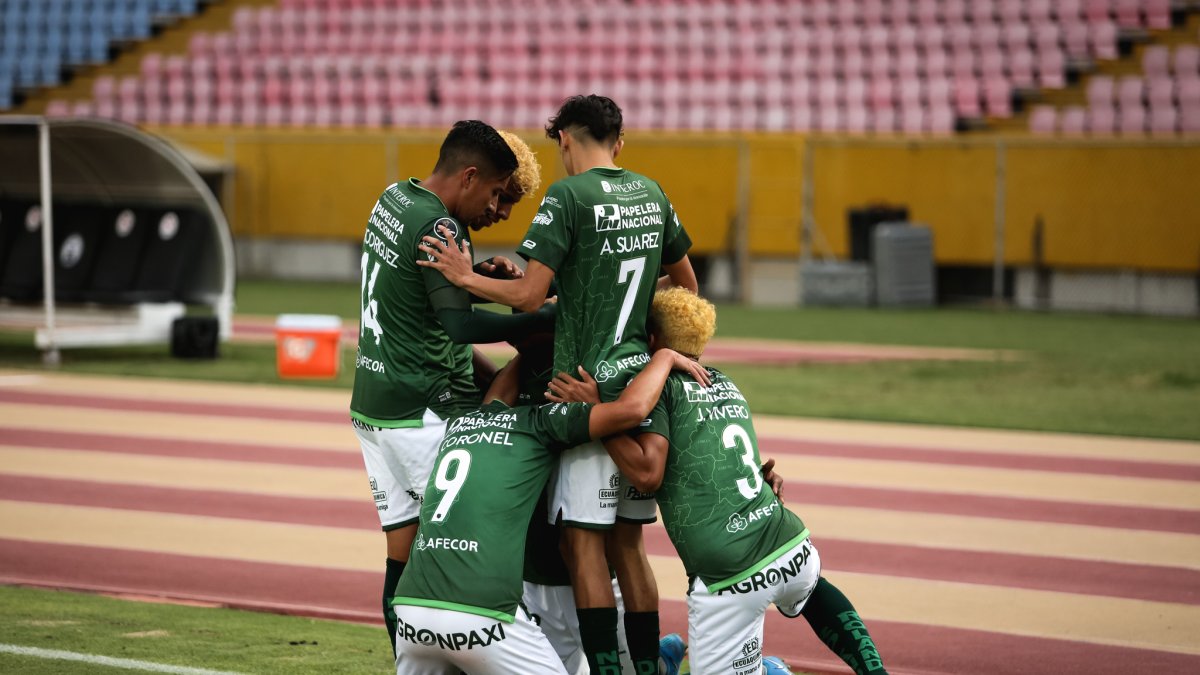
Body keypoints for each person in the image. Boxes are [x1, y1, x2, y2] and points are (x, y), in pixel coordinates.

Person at [417, 95, 696, 675]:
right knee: (630, 547)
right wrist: (623, 303)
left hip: (582, 387)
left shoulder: (568, 196)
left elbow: (525, 298)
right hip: (641, 384)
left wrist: (465, 276)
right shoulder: (653, 193)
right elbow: (686, 284)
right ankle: (647, 664)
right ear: (618, 142)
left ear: (565, 139)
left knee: (582, 544)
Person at [554, 287, 889, 675]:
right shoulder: (724, 381)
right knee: (811, 588)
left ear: (651, 340)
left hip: (729, 573)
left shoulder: (659, 389)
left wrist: (594, 413)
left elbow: (646, 474)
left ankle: (771, 672)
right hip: (787, 539)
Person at [350, 120, 553, 655]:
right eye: (495, 193)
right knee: (469, 543)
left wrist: (474, 280)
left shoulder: (395, 197)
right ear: (469, 177)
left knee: (401, 555)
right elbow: (459, 327)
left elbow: (414, 289)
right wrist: (540, 317)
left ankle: (408, 664)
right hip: (422, 410)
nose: (497, 208)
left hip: (373, 407)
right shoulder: (442, 227)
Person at [390, 343, 708, 674]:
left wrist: (528, 348)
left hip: (411, 611)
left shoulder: (464, 423)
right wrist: (664, 356)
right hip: (489, 612)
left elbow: (501, 385)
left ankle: (662, 659)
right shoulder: (539, 425)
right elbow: (632, 411)